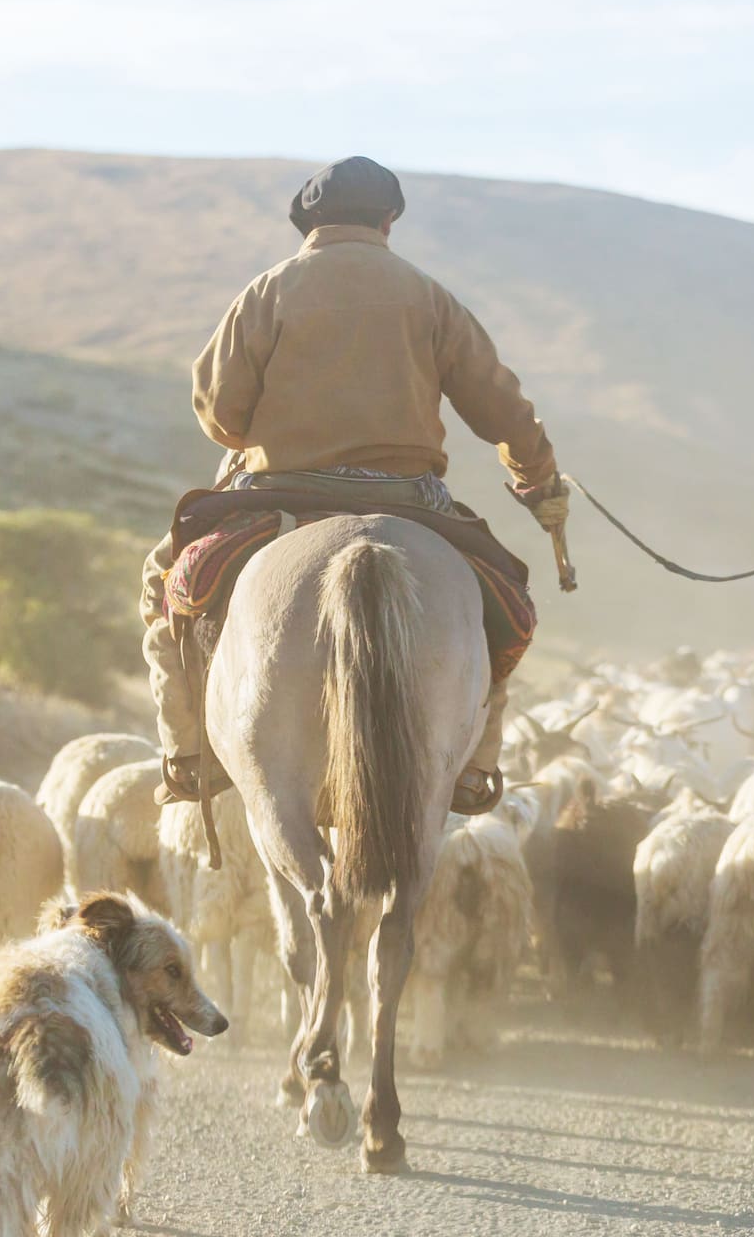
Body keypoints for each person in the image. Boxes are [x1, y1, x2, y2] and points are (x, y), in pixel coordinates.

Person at [141, 155, 567, 814]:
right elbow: (502, 407)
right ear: (389, 220)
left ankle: (190, 754)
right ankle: (473, 767)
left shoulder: (268, 291)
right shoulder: (429, 297)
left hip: (278, 494)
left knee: (164, 581)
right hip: (408, 500)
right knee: (502, 606)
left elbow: (220, 416)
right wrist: (537, 478)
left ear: (309, 221)